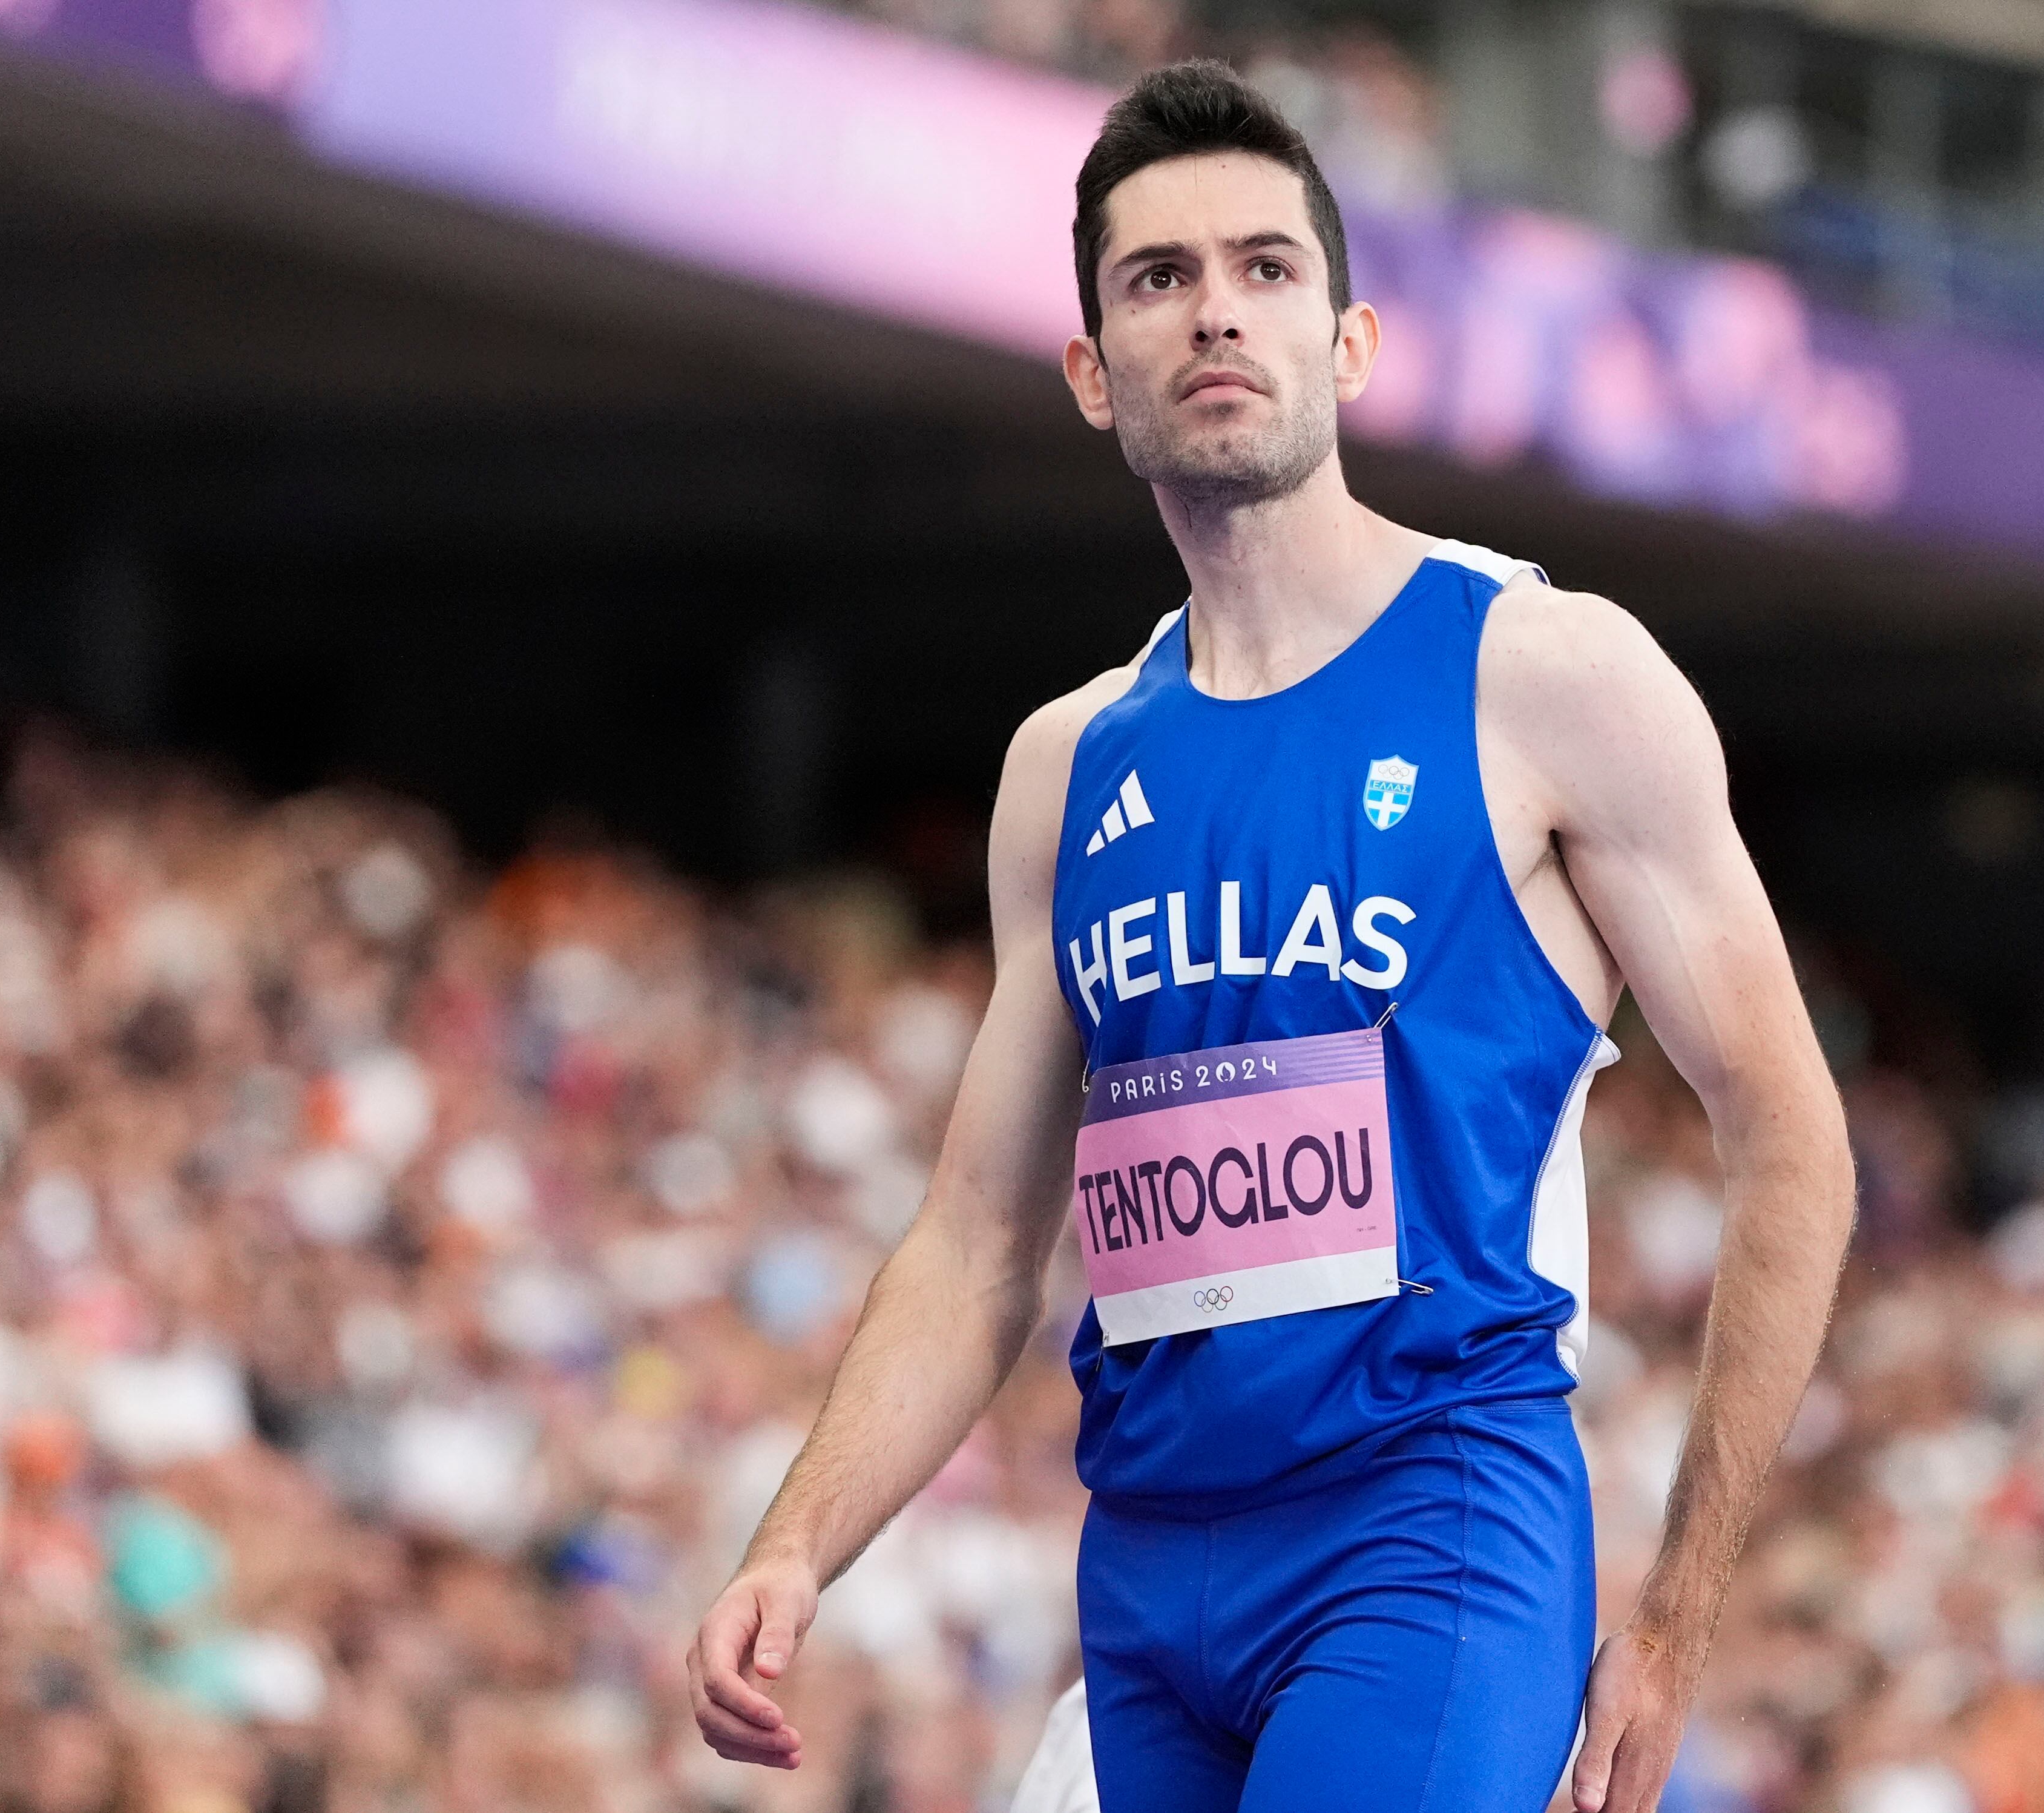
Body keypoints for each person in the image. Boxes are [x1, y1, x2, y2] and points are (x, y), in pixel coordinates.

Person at [687, 61, 1854, 1813]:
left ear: (1351, 340)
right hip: (1149, 1563)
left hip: (1426, 1525)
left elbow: (1791, 1141)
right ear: (1092, 371)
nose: (1213, 310)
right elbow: (978, 1237)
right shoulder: (1065, 770)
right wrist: (795, 1542)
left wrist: (1677, 1614)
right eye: (1156, 278)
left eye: (1262, 267)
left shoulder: (1544, 678)